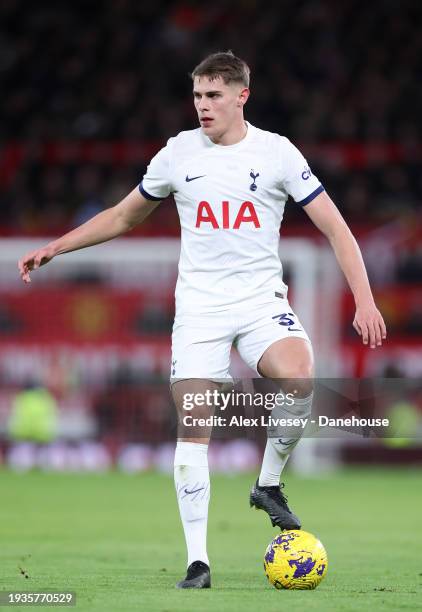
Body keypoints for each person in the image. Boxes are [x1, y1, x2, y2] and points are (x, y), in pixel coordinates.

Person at [18, 51, 387, 589]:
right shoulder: (176, 155)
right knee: (195, 423)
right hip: (200, 310)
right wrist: (58, 246)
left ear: (242, 96)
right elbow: (123, 215)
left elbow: (336, 228)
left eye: (214, 96)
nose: (202, 106)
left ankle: (268, 485)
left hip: (262, 301)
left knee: (301, 377)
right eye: (196, 96)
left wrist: (366, 299)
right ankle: (198, 561)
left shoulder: (278, 154)